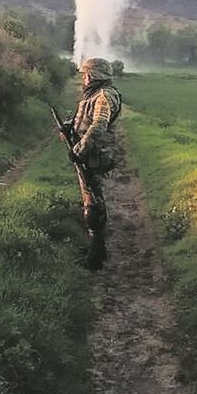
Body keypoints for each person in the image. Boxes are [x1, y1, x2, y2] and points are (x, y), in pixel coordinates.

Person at [62, 57, 123, 269]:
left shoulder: (104, 96)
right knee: (91, 197)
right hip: (91, 154)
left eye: (85, 75)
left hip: (95, 155)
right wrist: (71, 126)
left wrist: (79, 149)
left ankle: (96, 254)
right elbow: (86, 120)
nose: (83, 79)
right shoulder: (95, 96)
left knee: (93, 203)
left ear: (92, 76)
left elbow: (98, 125)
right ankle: (95, 246)